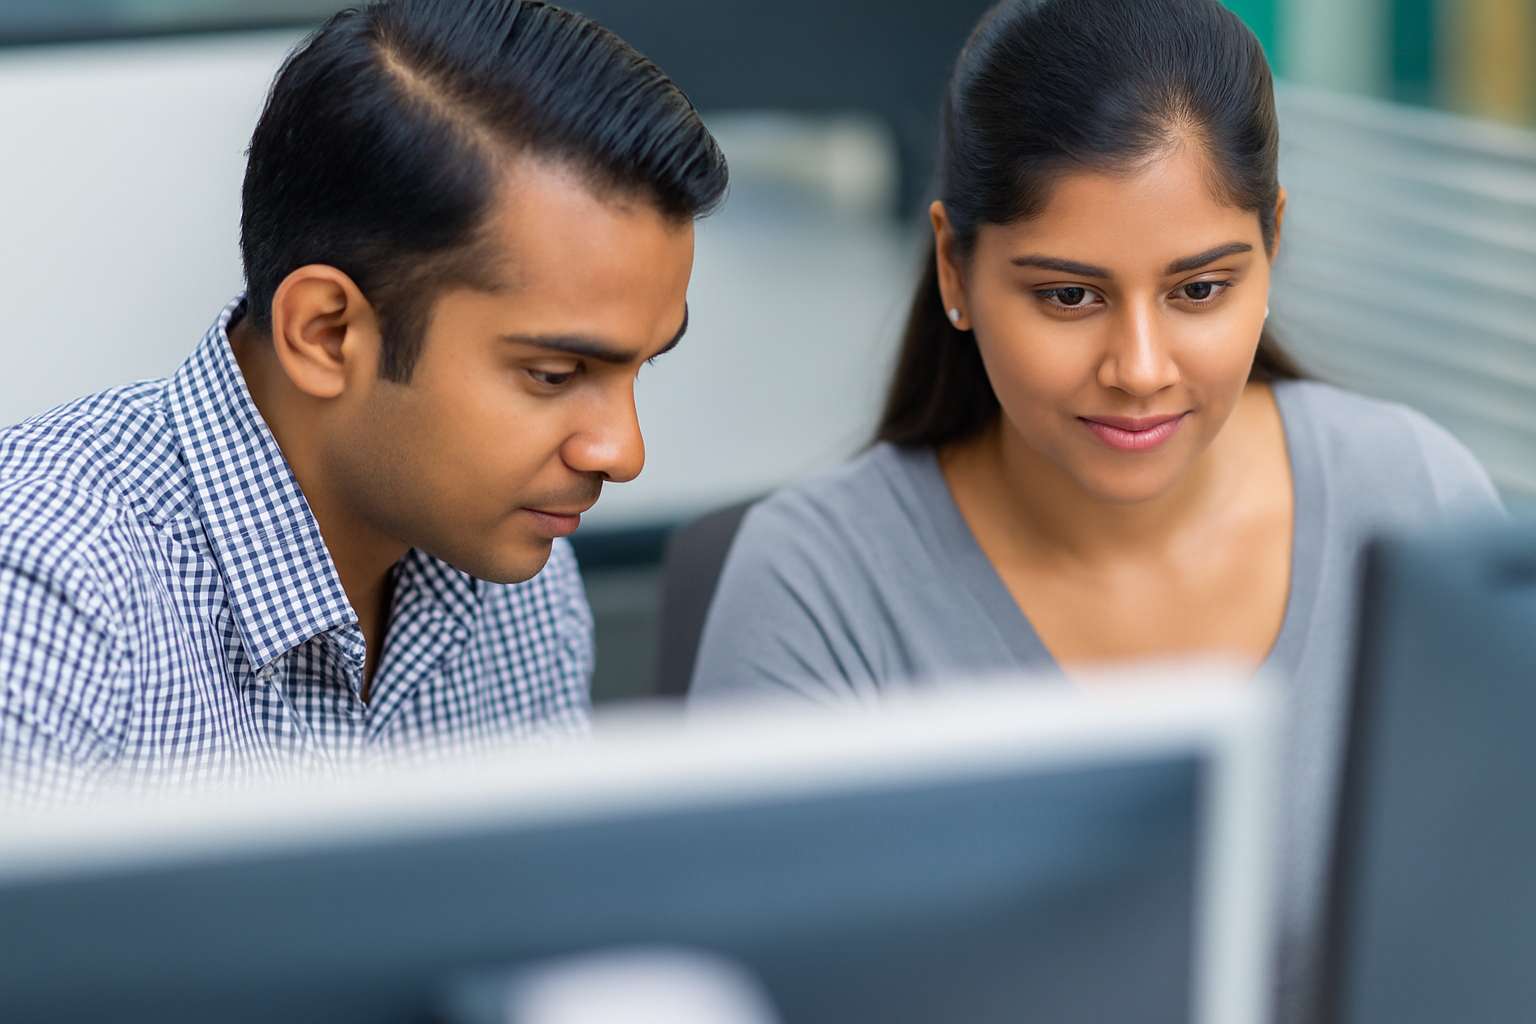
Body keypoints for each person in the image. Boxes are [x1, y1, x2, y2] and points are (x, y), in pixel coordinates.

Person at [688, 0, 1501, 1020]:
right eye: (1069, 296)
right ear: (956, 269)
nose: (1140, 370)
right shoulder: (817, 583)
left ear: (1273, 245)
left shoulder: (1415, 499)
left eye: (1199, 289)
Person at [0, 0, 727, 802]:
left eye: (643, 367)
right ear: (326, 334)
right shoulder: (48, 588)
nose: (622, 451)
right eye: (553, 376)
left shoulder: (518, 580)